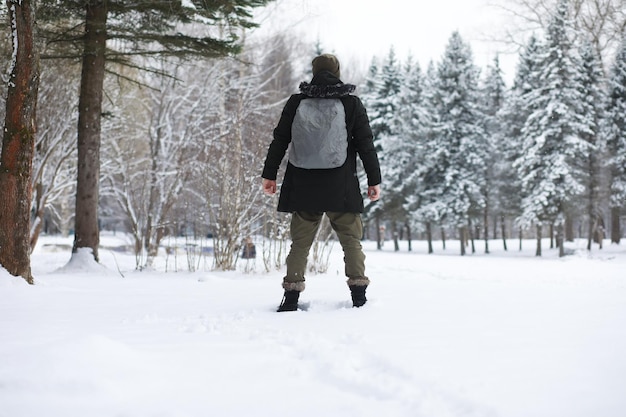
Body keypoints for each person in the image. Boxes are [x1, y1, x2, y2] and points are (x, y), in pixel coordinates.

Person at [261, 53, 381, 312]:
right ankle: (359, 297)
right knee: (351, 241)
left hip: (303, 184)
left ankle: (291, 299)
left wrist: (269, 175)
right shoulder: (351, 104)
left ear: (314, 71)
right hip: (341, 186)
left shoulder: (296, 102)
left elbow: (280, 140)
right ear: (337, 72)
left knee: (300, 244)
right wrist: (374, 180)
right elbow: (366, 145)